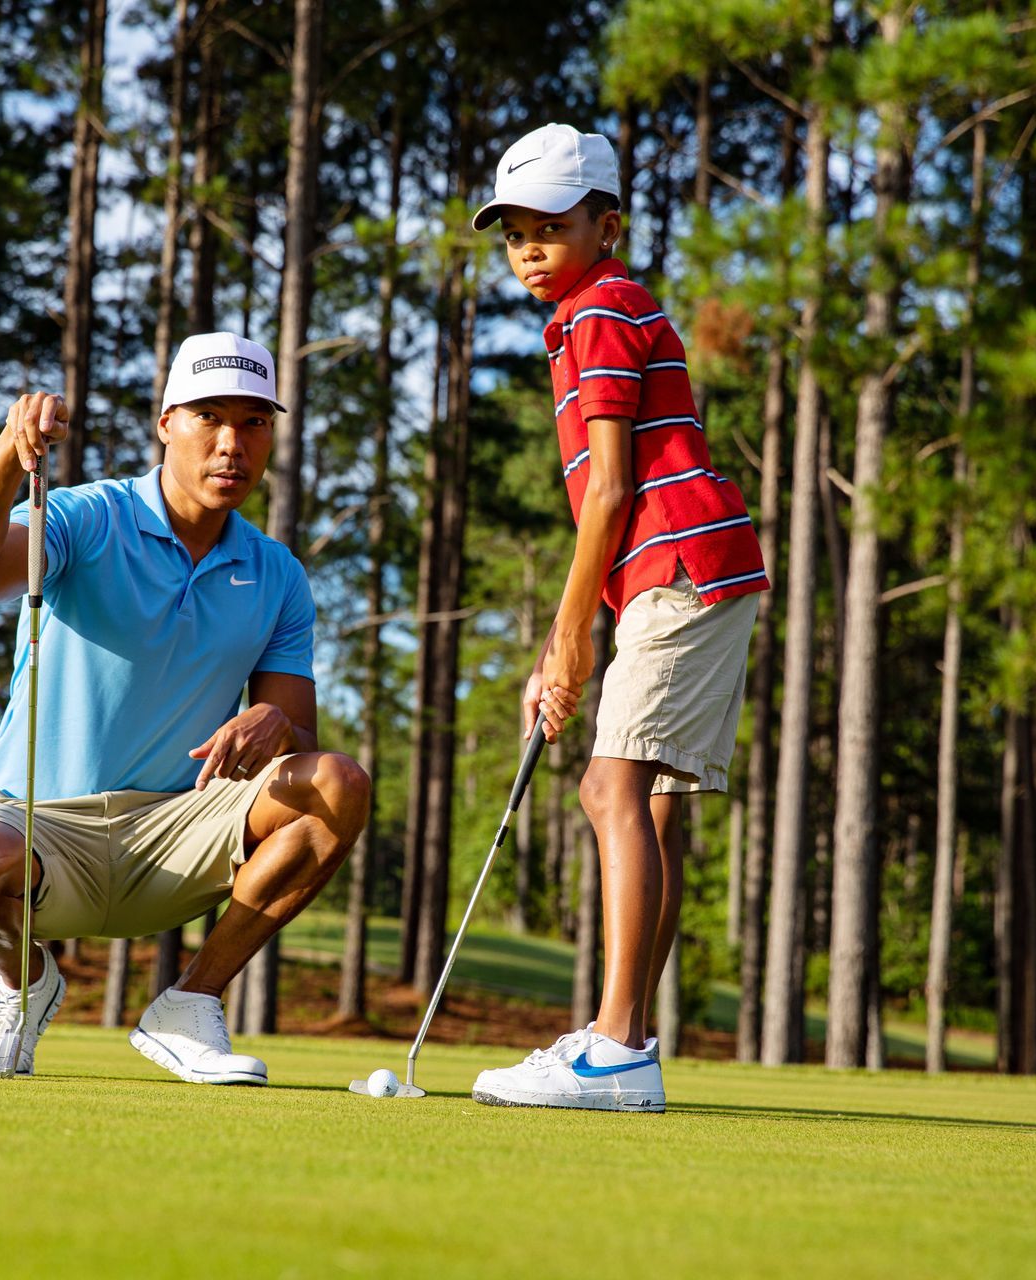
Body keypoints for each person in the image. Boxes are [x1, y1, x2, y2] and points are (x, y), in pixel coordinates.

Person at [0, 331, 370, 1085]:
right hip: (39, 824)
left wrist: (275, 724)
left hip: (176, 828)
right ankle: (23, 980)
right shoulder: (85, 517)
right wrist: (7, 451)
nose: (233, 444)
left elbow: (301, 742)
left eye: (254, 422)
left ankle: (190, 1003)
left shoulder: (276, 573)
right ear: (167, 425)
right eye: (209, 418)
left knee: (338, 784)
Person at [468, 123, 768, 1112]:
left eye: (552, 225)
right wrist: (576, 629)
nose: (529, 247)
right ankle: (626, 1039)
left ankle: (615, 1046)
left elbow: (608, 492)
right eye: (514, 231)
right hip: (697, 565)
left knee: (610, 787)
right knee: (656, 803)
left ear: (608, 223)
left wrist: (569, 637)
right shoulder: (604, 308)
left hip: (677, 565)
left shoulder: (597, 311)